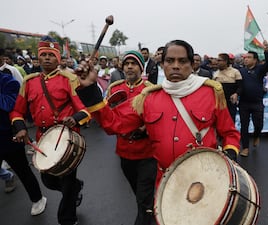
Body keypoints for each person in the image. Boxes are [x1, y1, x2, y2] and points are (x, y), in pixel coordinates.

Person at [76, 39, 240, 186]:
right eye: (170, 60)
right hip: (166, 183)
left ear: (192, 64)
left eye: (182, 61)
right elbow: (113, 123)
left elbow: (229, 133)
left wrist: (229, 155)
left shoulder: (211, 92)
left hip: (205, 179)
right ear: (162, 64)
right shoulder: (147, 98)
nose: (175, 65)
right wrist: (90, 89)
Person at [10, 36, 91, 225]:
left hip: (66, 137)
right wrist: (20, 128)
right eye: (43, 55)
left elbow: (84, 110)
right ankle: (75, 188)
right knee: (48, 180)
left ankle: (67, 219)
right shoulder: (28, 82)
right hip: (43, 139)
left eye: (51, 55)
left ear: (58, 59)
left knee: (68, 182)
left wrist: (75, 118)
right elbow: (16, 110)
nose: (46, 58)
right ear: (38, 58)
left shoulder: (67, 80)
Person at [106, 50, 157, 225]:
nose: (129, 66)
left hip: (146, 153)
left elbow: (157, 117)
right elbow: (108, 115)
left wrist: (145, 128)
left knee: (144, 196)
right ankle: (152, 211)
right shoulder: (114, 88)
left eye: (133, 63)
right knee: (140, 193)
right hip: (124, 152)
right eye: (126, 63)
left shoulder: (150, 89)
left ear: (140, 68)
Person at [1, 70, 48, 215]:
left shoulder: (8, 81)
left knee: (23, 171)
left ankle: (38, 199)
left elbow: (10, 105)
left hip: (7, 137)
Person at [238, 41, 268, 157]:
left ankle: (257, 135)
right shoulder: (240, 71)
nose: (246, 59)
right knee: (244, 125)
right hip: (243, 103)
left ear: (255, 60)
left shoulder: (259, 70)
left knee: (258, 124)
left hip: (257, 103)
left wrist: (266, 50)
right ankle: (245, 148)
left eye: (249, 57)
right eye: (245, 57)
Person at [213, 53, 242, 121]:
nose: (217, 62)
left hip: (230, 102)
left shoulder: (235, 72)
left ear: (225, 61)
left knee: (230, 120)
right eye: (217, 60)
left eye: (219, 60)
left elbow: (240, 87)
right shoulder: (216, 73)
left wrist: (236, 94)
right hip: (219, 102)